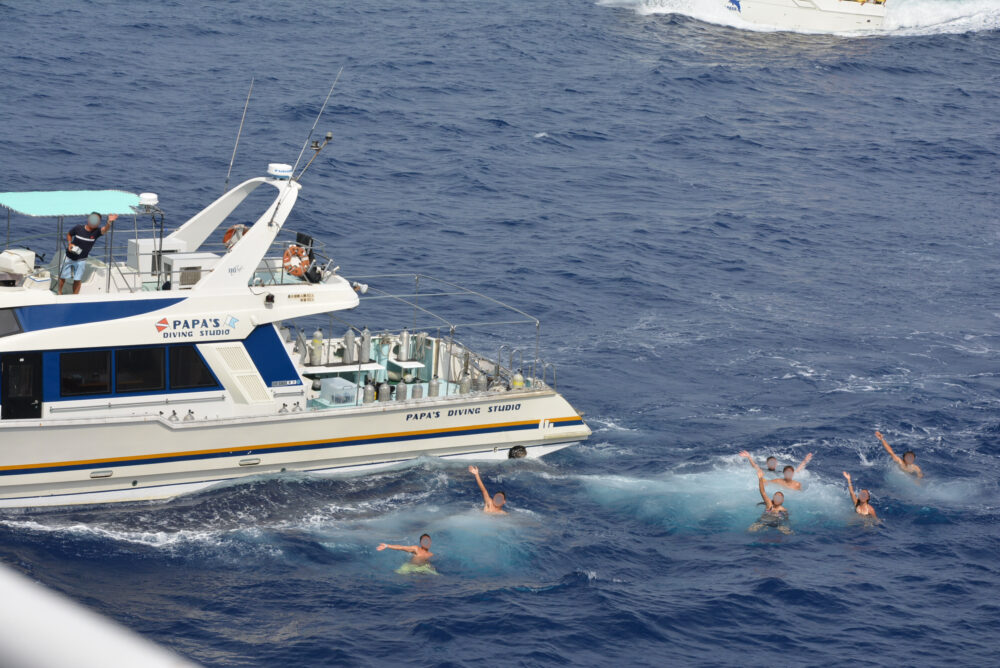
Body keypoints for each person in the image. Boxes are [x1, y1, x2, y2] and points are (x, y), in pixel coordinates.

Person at [58, 212, 117, 295]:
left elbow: (105, 229)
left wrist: (109, 222)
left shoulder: (96, 232)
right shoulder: (78, 228)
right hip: (69, 256)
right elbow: (69, 234)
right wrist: (70, 243)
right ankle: (59, 292)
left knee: (77, 279)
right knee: (62, 276)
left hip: (81, 260)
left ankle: (75, 296)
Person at [739, 450, 812, 491]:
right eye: (770, 462)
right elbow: (755, 466)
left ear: (776, 463)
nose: (772, 464)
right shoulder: (764, 470)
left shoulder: (781, 472)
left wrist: (805, 461)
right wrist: (749, 457)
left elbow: (796, 471)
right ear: (767, 464)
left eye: (773, 462)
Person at [748, 469, 791, 534]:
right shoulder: (769, 504)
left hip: (776, 525)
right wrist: (760, 478)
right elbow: (762, 492)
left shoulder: (783, 510)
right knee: (749, 531)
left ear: (782, 500)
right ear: (773, 498)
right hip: (763, 522)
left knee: (790, 533)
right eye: (776, 497)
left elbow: (786, 520)